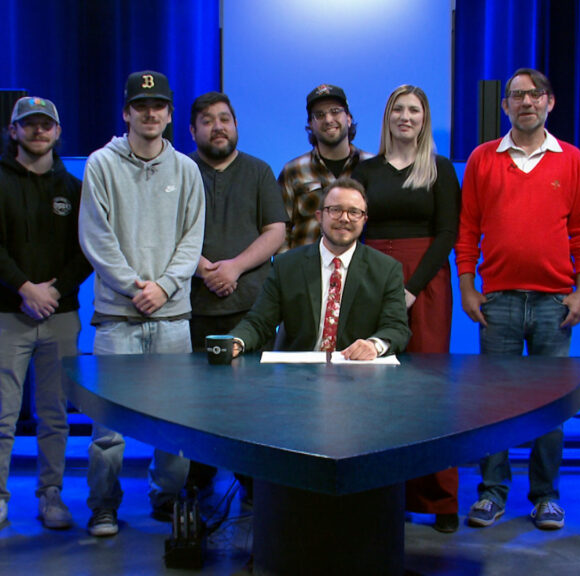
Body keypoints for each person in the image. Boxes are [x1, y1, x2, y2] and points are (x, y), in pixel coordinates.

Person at [454, 68, 580, 531]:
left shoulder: (571, 160)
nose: (526, 103)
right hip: (496, 301)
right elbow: (467, 229)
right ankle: (492, 494)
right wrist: (467, 285)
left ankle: (545, 497)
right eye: (516, 96)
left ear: (549, 103)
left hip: (554, 303)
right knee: (493, 404)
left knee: (549, 406)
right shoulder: (483, 159)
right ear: (505, 107)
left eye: (534, 95)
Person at [78, 70, 206, 537]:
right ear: (126, 112)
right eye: (141, 105)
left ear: (170, 115)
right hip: (117, 318)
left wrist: (166, 286)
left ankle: (168, 499)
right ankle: (104, 506)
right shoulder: (101, 165)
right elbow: (96, 237)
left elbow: (193, 238)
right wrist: (136, 286)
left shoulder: (187, 171)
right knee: (108, 426)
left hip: (172, 317)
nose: (150, 113)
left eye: (159, 106)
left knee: (175, 424)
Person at [0, 96, 92, 537]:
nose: (39, 132)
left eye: (46, 125)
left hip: (60, 315)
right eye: (29, 125)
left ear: (58, 133)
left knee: (54, 413)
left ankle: (51, 495)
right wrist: (25, 289)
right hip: (7, 314)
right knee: (0, 415)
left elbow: (87, 251)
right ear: (13, 130)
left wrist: (53, 292)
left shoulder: (75, 189)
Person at [351, 85, 461, 533]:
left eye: (414, 110)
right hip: (374, 276)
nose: (405, 116)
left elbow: (448, 232)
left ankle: (440, 499)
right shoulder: (366, 169)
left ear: (424, 118)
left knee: (428, 387)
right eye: (398, 108)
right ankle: (381, 494)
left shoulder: (439, 169)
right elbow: (353, 226)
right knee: (375, 386)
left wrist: (412, 288)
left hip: (425, 281)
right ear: (387, 116)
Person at [185, 91, 288, 497]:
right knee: (195, 398)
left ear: (236, 125)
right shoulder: (179, 169)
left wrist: (233, 268)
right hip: (191, 305)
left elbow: (275, 231)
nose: (218, 126)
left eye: (225, 118)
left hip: (250, 306)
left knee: (252, 400)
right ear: (192, 130)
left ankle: (251, 477)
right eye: (207, 120)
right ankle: (198, 475)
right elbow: (166, 233)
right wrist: (202, 268)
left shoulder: (259, 171)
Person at [229, 178, 410, 360]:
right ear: (319, 216)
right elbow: (259, 322)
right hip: (299, 376)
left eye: (354, 212)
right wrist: (236, 342)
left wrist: (374, 345)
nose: (344, 218)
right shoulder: (286, 265)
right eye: (335, 210)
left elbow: (397, 327)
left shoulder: (386, 269)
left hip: (358, 375)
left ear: (364, 220)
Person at [278, 84, 373, 251]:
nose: (328, 119)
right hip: (305, 272)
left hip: (361, 272)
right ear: (310, 125)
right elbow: (280, 231)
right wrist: (287, 272)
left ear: (348, 118)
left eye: (335, 111)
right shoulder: (293, 171)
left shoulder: (372, 166)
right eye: (319, 115)